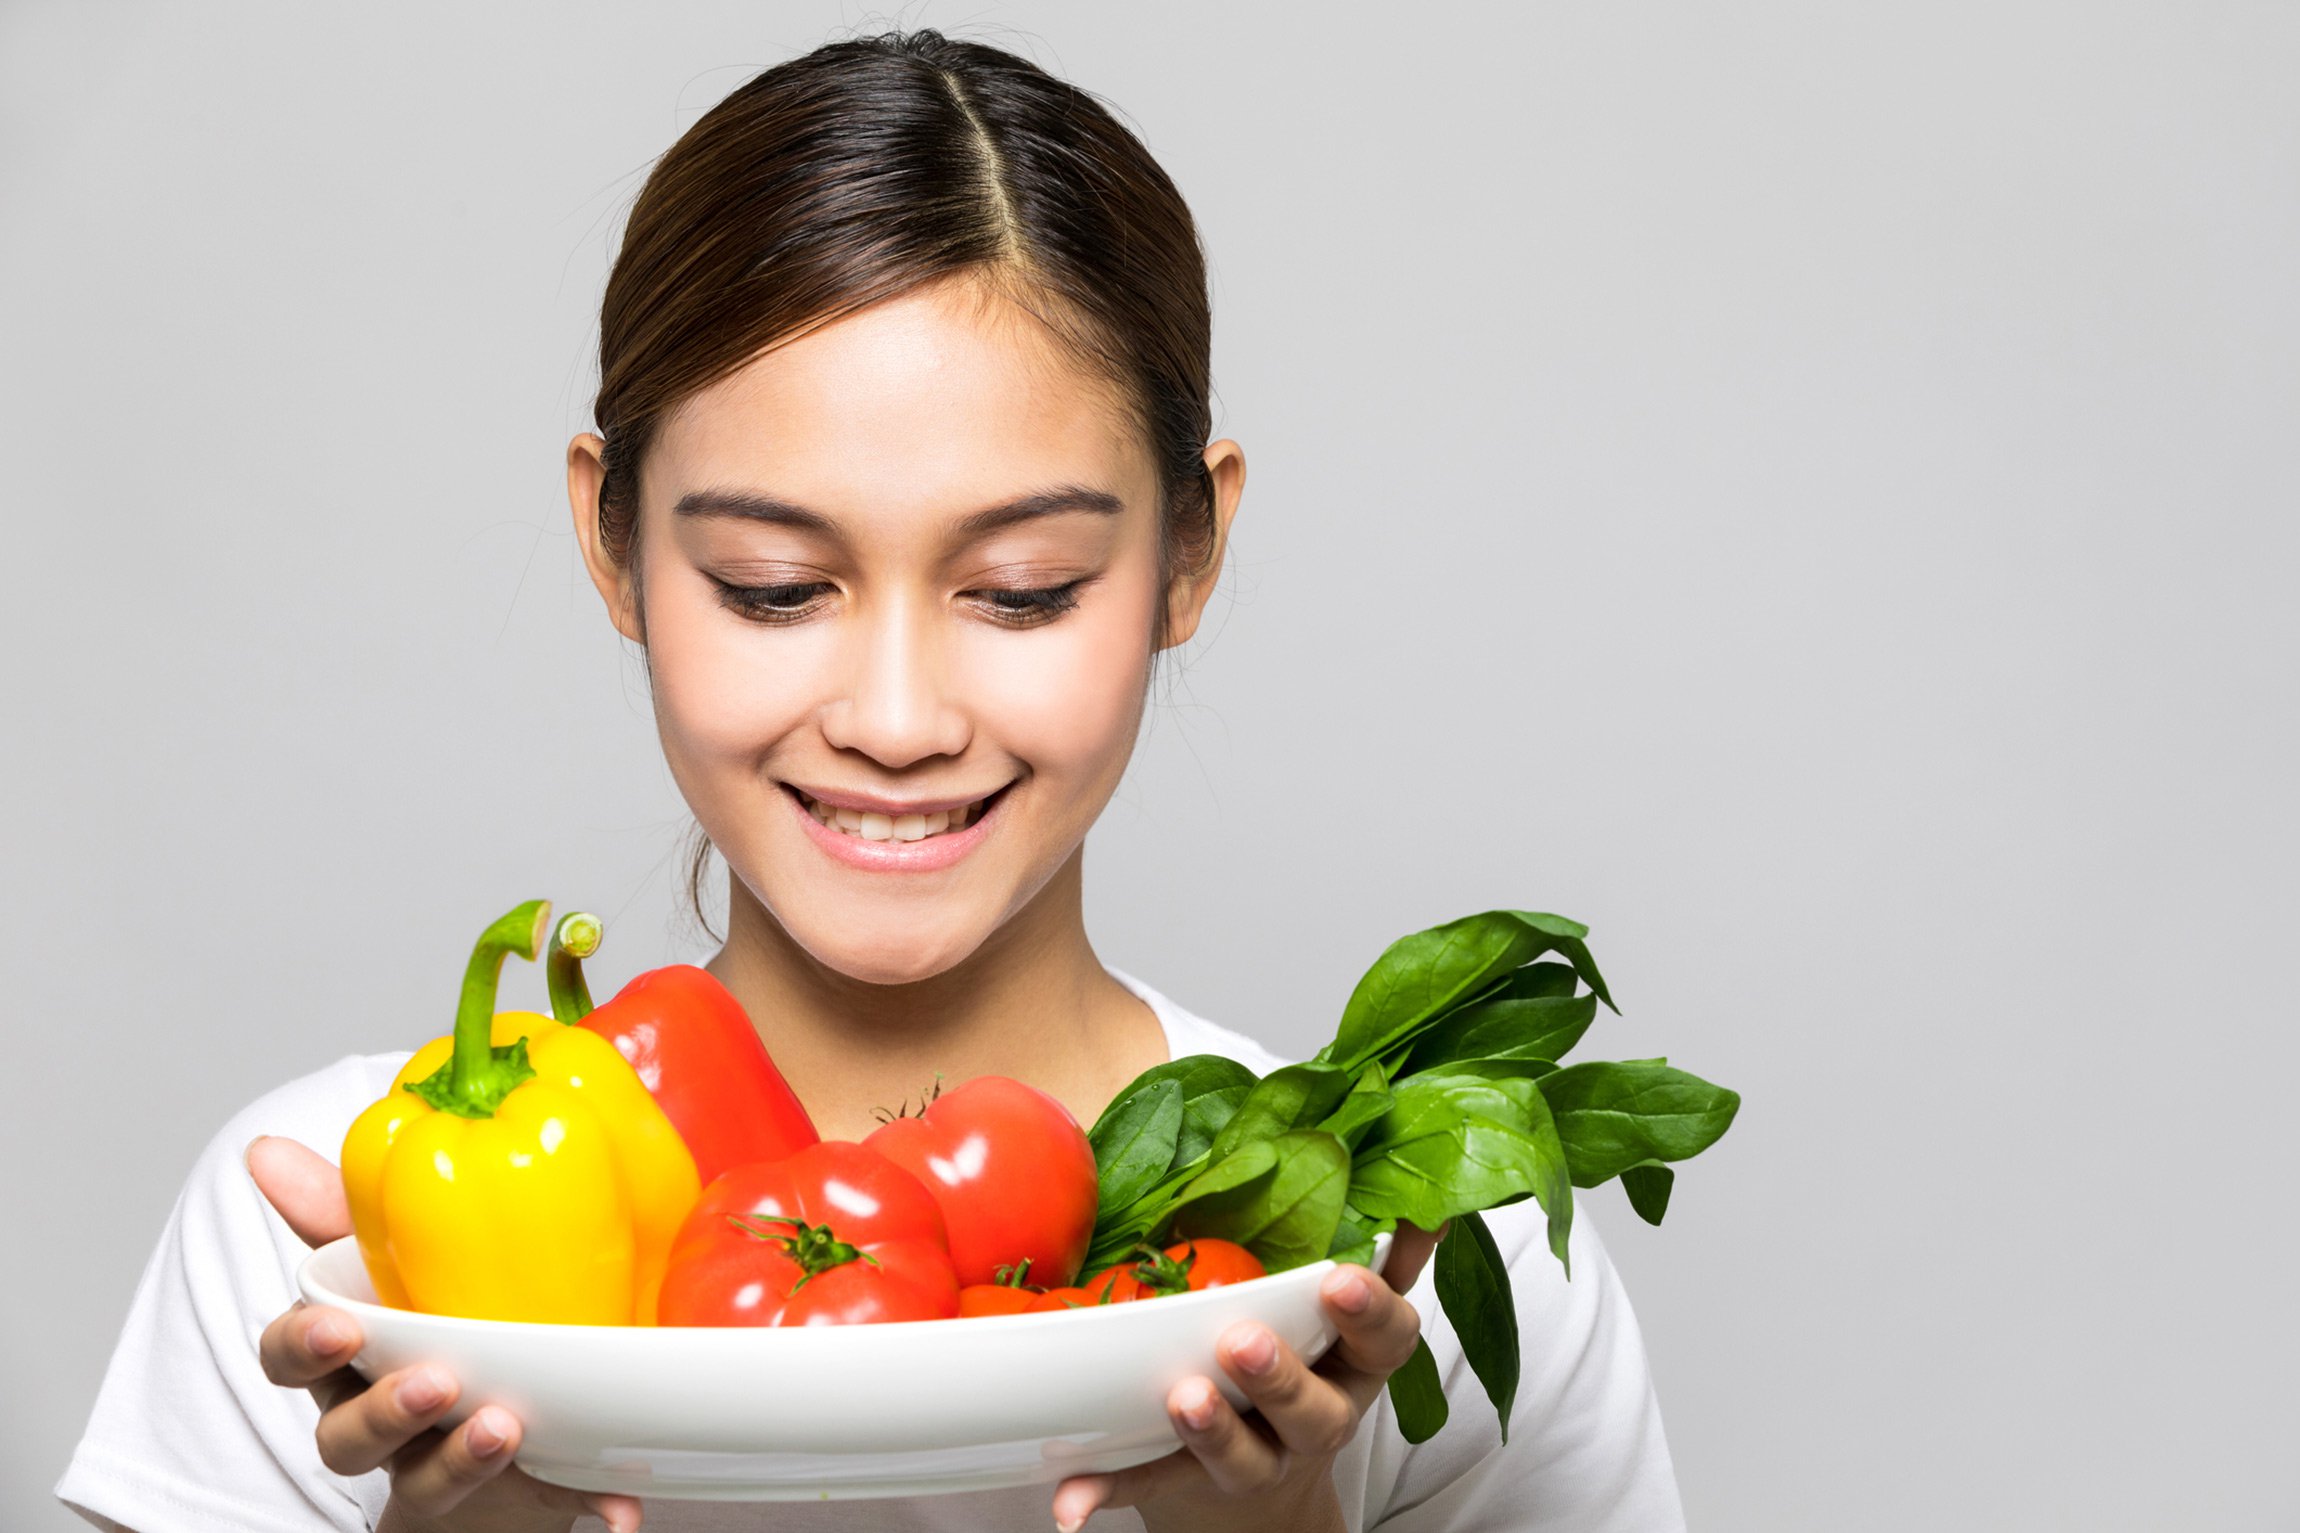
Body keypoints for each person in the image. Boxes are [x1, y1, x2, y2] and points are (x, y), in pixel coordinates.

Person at [55, 28, 1685, 1533]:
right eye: (772, 585)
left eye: (1026, 585)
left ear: (1192, 551)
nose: (896, 718)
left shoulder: (1406, 1266)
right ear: (612, 544)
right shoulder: (340, 1250)